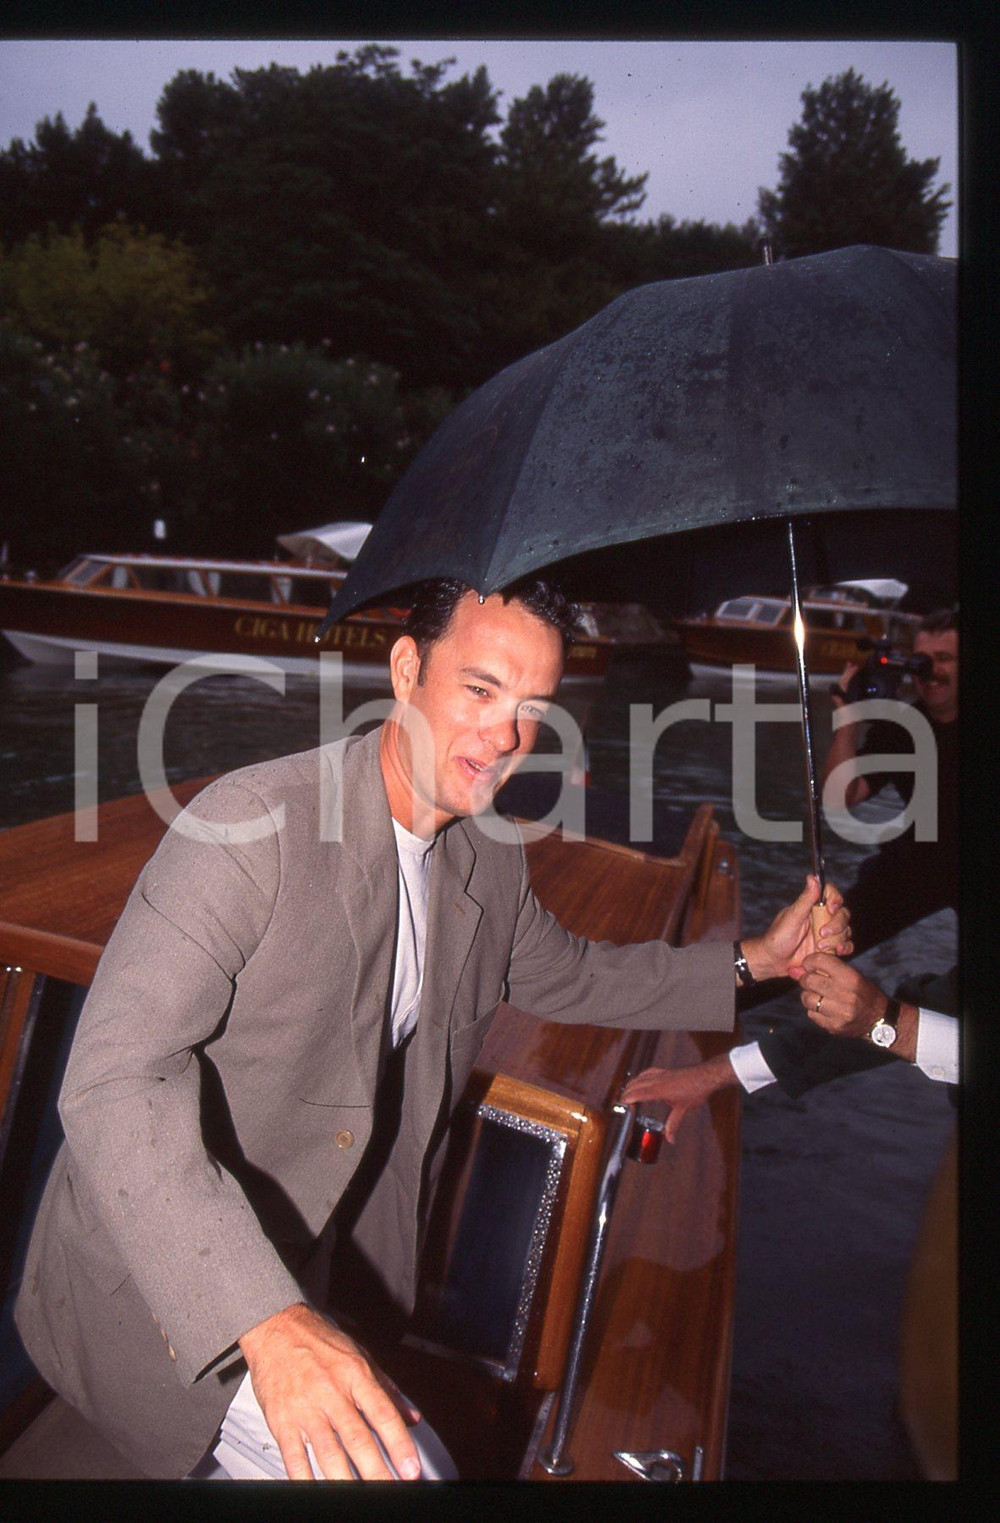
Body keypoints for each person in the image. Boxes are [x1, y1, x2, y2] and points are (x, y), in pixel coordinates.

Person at [14, 579, 851, 1482]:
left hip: (327, 1277)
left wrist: (759, 959)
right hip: (171, 1294)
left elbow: (574, 973)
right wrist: (267, 1319)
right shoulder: (248, 827)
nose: (504, 737)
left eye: (533, 707)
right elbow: (114, 1080)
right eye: (481, 690)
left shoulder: (487, 856)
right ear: (408, 669)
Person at [624, 609, 958, 1119]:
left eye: (946, 660)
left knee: (947, 1001)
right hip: (926, 861)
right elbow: (840, 795)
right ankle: (710, 1004)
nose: (930, 671)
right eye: (924, 659)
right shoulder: (906, 726)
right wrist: (848, 715)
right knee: (820, 940)